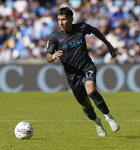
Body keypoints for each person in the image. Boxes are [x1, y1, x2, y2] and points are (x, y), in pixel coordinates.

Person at [46, 7, 119, 137]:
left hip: (86, 67)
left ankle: (109, 117)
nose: (61, 22)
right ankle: (97, 122)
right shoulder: (54, 36)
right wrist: (53, 56)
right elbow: (47, 57)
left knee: (91, 91)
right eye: (59, 20)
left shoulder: (81, 28)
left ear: (71, 19)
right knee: (85, 105)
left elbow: (95, 31)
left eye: (64, 19)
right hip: (72, 75)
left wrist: (108, 45)